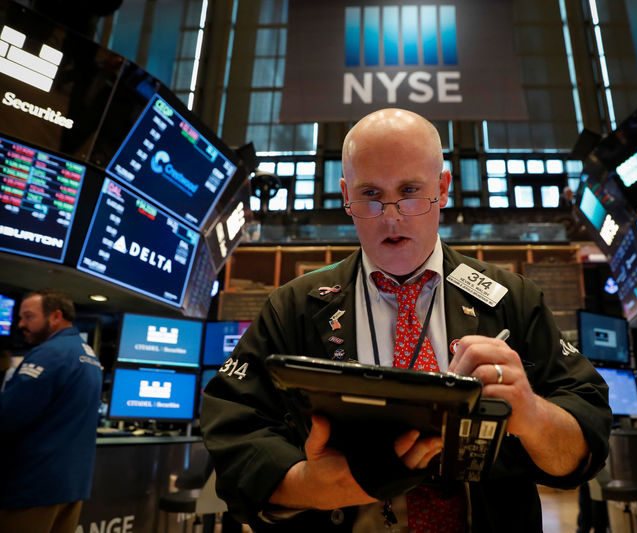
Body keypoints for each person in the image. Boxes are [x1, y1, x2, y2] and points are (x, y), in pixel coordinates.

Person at [201, 108, 612, 532]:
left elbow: (588, 431)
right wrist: (310, 486)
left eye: (411, 190)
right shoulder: (294, 307)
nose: (391, 216)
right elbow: (233, 432)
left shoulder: (513, 299)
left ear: (444, 187)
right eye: (371, 195)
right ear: (345, 195)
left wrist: (531, 414)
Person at [0, 289, 103, 533]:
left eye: (28, 317)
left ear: (56, 316)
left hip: (33, 487)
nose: (21, 324)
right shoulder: (87, 353)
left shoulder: (50, 353)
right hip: (70, 486)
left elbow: (9, 416)